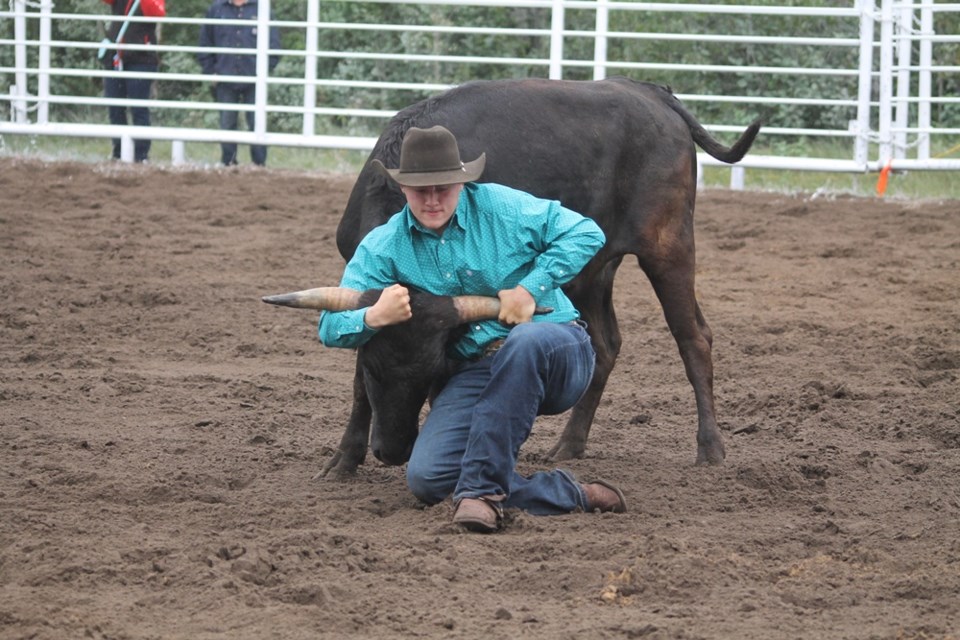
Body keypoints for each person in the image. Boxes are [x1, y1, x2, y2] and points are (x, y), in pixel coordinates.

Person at [317, 126, 627, 533]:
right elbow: (330, 325)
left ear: (462, 182)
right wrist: (373, 317)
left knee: (525, 339)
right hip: (476, 370)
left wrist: (529, 288)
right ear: (403, 189)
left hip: (556, 348)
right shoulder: (384, 245)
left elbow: (586, 232)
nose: (431, 200)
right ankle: (570, 494)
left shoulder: (502, 208)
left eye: (443, 188)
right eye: (419, 190)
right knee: (427, 478)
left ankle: (480, 490)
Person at [197, 0, 281, 167]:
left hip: (255, 78)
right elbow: (205, 43)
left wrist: (264, 71)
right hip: (225, 77)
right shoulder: (216, 9)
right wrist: (211, 71)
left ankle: (259, 164)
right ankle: (228, 162)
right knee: (227, 123)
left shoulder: (262, 9)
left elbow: (274, 45)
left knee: (257, 122)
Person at [101, 0, 166, 163]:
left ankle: (141, 155)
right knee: (115, 108)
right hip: (116, 56)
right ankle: (119, 152)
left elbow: (156, 12)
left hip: (142, 58)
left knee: (139, 108)